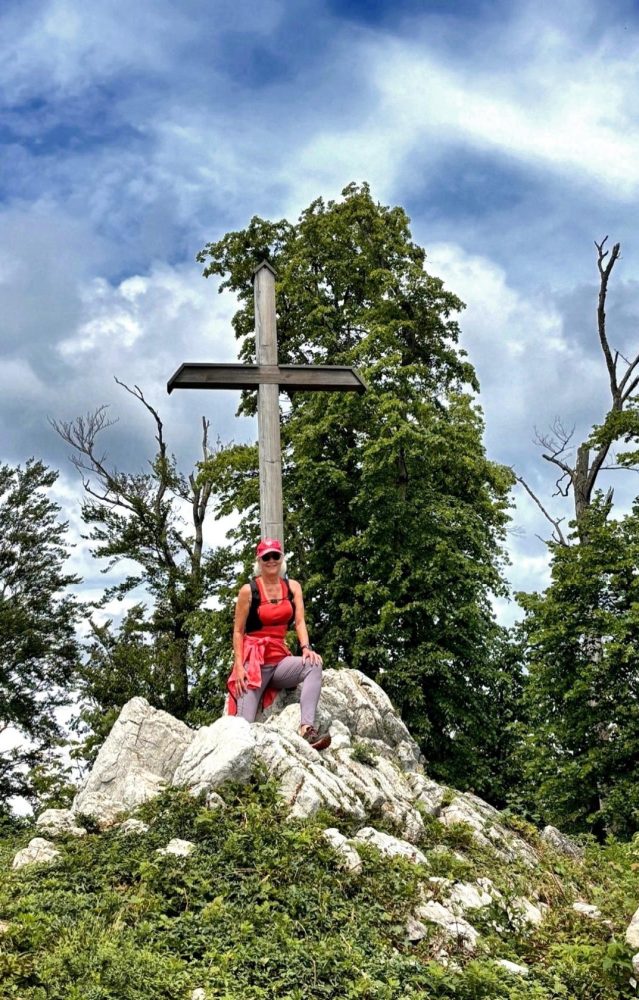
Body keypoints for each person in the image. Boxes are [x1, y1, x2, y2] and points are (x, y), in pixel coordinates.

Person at [227, 538, 331, 750]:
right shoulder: (248, 591)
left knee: (314, 665)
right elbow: (238, 631)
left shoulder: (293, 587)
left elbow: (300, 622)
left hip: (279, 660)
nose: (271, 560)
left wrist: (306, 648)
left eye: (276, 555)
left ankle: (307, 729)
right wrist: (239, 667)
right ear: (259, 560)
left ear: (282, 558)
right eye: (266, 557)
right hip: (254, 663)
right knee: (242, 727)